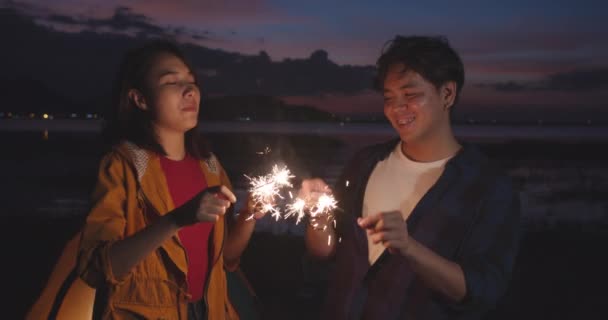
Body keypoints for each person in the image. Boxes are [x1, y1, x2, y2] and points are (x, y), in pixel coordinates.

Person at [303, 35, 521, 319]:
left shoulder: (488, 187)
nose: (397, 108)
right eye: (389, 98)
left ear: (447, 94)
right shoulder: (365, 163)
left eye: (411, 95)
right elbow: (325, 253)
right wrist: (318, 218)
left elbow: (481, 290)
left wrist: (409, 248)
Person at [75, 40, 262, 319]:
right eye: (171, 82)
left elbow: (226, 261)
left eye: (191, 80)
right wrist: (177, 219)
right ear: (140, 99)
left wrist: (249, 215)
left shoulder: (210, 167)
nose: (190, 90)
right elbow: (97, 268)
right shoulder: (123, 167)